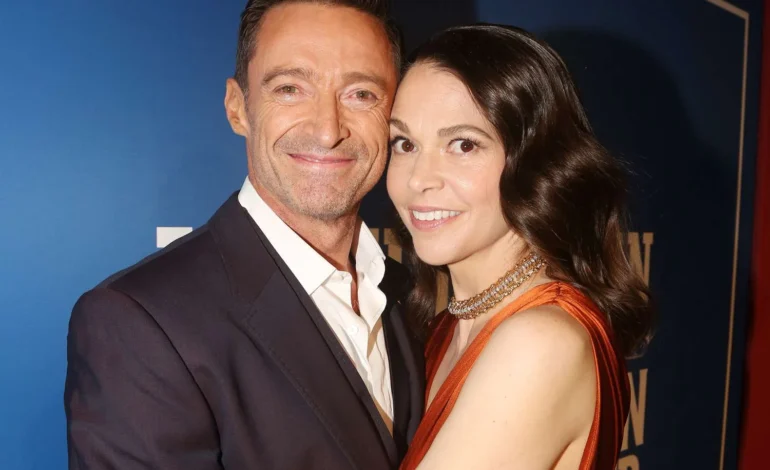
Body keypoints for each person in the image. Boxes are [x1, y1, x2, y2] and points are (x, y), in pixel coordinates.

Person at [64, 1, 425, 469]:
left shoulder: (417, 289)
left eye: (361, 94)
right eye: (291, 88)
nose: (328, 129)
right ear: (239, 108)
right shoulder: (138, 324)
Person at [386, 24, 654, 470]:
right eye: (405, 143)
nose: (419, 178)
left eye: (463, 144)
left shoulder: (538, 343)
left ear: (536, 162)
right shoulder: (451, 324)